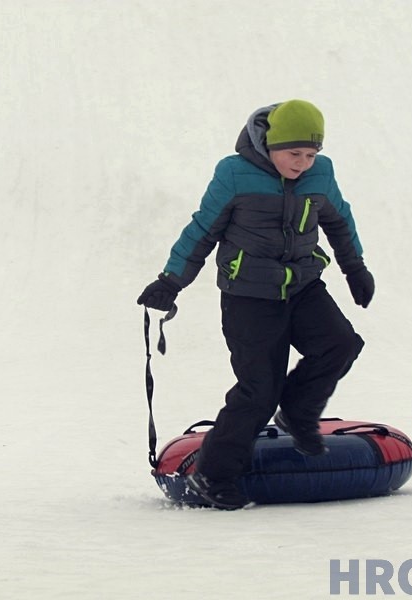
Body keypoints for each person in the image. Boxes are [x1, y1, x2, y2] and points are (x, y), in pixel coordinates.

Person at [137, 100, 374, 509]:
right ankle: (213, 474)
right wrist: (170, 282)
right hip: (248, 296)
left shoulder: (321, 174)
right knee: (258, 389)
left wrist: (355, 268)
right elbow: (202, 229)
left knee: (341, 344)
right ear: (269, 144)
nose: (301, 163)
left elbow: (339, 220)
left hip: (303, 287)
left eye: (309, 154)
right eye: (292, 153)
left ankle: (298, 411)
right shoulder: (234, 173)